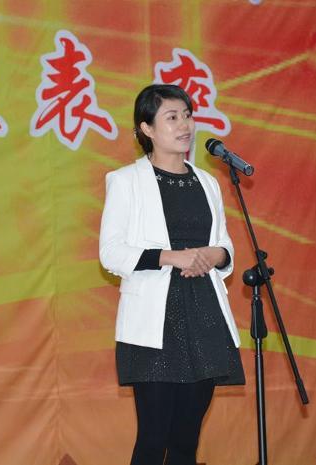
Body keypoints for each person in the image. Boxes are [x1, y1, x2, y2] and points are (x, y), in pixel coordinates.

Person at [99, 84, 245, 465]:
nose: (185, 125)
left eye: (188, 115)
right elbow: (111, 253)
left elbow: (224, 247)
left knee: (186, 442)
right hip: (154, 324)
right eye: (172, 117)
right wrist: (171, 257)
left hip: (204, 317)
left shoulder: (207, 182)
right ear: (146, 128)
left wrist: (213, 255)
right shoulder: (126, 181)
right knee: (153, 440)